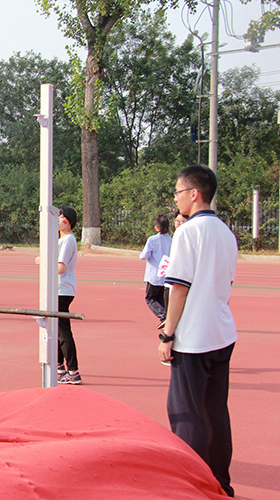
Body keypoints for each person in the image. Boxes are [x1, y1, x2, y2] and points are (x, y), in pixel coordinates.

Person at [159, 165, 238, 497]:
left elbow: (179, 288)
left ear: (194, 194)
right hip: (222, 333)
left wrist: (167, 333)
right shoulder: (226, 233)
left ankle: (191, 485)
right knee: (215, 411)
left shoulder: (188, 232)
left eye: (178, 192)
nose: (176, 198)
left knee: (186, 414)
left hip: (194, 338)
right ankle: (221, 483)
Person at [54, 206, 80, 384]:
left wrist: (44, 262)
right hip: (58, 289)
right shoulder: (62, 240)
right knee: (55, 328)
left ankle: (73, 370)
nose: (58, 220)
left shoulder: (68, 240)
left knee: (63, 331)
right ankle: (59, 364)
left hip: (62, 290)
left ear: (69, 221)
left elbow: (60, 267)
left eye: (61, 217)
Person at [139, 214, 172, 328]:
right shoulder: (172, 240)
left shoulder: (153, 240)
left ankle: (164, 316)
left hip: (154, 275)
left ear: (157, 227)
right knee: (162, 298)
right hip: (166, 275)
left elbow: (144, 255)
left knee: (150, 298)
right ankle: (168, 317)